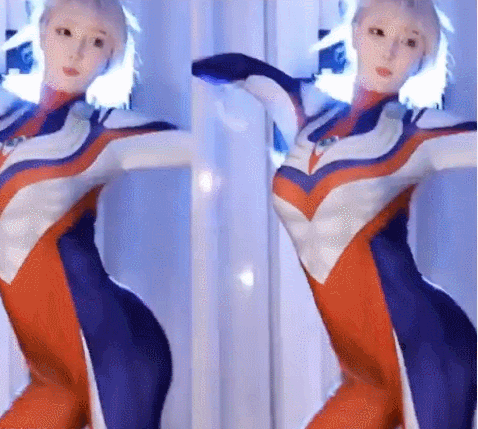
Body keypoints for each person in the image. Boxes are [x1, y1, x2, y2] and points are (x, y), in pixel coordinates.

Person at [193, 0, 476, 427]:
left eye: (410, 42)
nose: (390, 51)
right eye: (378, 32)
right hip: (364, 375)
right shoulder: (307, 110)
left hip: (427, 352)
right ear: (355, 31)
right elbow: (242, 71)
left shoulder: (417, 130)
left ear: (423, 59)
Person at [0, 0, 191, 427]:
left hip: (114, 352)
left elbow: (202, 149)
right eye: (65, 32)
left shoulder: (104, 131)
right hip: (52, 375)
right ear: (42, 31)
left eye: (97, 42)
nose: (76, 52)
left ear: (111, 58)